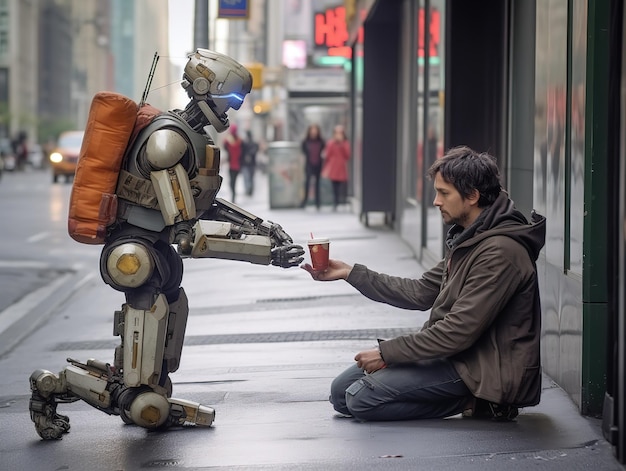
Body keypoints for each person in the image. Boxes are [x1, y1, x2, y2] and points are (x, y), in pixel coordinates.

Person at [28, 49, 305, 440]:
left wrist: (261, 226)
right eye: (232, 99)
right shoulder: (167, 142)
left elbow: (196, 204)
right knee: (145, 402)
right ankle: (52, 385)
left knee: (163, 333)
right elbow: (186, 233)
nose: (234, 108)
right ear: (209, 89)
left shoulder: (185, 136)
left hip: (154, 249)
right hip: (134, 250)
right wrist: (267, 252)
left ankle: (137, 392)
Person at [302, 145, 546, 422]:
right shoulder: (472, 238)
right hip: (454, 356)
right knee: (340, 393)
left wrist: (387, 353)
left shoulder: (500, 252)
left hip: (482, 369)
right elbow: (419, 292)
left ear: (472, 197)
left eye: (444, 193)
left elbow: (457, 332)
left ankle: (478, 401)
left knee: (361, 399)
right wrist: (350, 272)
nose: (436, 201)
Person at [322, 124, 350, 210]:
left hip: (341, 166)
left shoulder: (345, 143)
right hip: (333, 166)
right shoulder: (331, 143)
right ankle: (335, 202)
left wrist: (341, 144)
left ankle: (343, 201)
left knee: (342, 185)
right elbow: (327, 154)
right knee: (334, 186)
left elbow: (347, 155)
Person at [300, 123, 325, 209]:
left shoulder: (321, 141)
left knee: (317, 183)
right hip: (309, 164)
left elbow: (324, 151)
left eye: (315, 130)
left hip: (318, 164)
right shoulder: (305, 141)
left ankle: (318, 203)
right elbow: (303, 151)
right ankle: (305, 201)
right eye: (312, 130)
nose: (314, 132)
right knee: (307, 183)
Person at [223, 123, 243, 203]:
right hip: (237, 165)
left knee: (232, 182)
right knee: (233, 181)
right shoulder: (240, 141)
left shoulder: (228, 141)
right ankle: (234, 195)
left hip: (232, 165)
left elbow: (224, 145)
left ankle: (233, 195)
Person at [241, 130, 259, 197]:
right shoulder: (248, 143)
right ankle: (249, 190)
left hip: (249, 164)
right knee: (249, 178)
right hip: (249, 164)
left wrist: (248, 155)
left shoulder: (247, 143)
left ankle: (249, 190)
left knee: (248, 178)